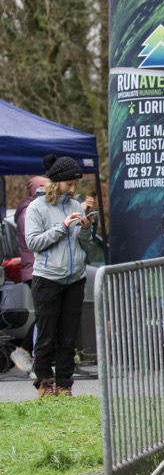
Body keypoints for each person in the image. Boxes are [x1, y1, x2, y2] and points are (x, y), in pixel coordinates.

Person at [24, 156, 94, 397]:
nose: (73, 189)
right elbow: (34, 243)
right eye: (69, 184)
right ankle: (44, 383)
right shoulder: (37, 208)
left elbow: (85, 244)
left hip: (74, 280)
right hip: (47, 280)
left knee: (68, 337)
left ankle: (64, 384)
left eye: (75, 184)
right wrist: (62, 227)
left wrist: (86, 229)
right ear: (55, 183)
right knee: (46, 336)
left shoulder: (76, 206)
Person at [8, 175, 48, 373]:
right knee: (45, 313)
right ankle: (25, 351)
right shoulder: (28, 211)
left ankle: (31, 352)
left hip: (38, 268)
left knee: (47, 313)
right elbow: (34, 238)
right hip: (34, 269)